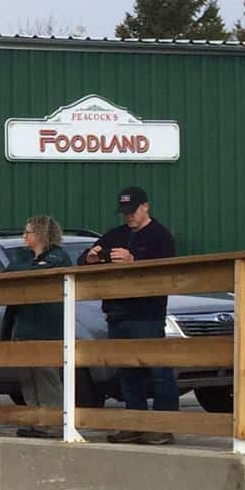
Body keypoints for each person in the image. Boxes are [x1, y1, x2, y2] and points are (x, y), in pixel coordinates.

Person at [82, 185, 179, 444]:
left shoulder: (161, 236)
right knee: (127, 374)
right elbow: (85, 257)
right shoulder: (115, 234)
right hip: (117, 313)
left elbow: (167, 271)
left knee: (159, 372)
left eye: (133, 211)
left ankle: (162, 426)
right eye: (124, 212)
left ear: (145, 206)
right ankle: (134, 423)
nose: (129, 216)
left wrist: (134, 260)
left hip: (147, 314)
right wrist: (91, 258)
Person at [3, 214, 74, 438]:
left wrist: (26, 270)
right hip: (24, 325)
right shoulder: (23, 257)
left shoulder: (58, 256)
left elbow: (38, 273)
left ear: (41, 233)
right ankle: (35, 419)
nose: (24, 236)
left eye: (28, 232)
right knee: (27, 377)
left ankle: (52, 422)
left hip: (46, 326)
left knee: (46, 376)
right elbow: (9, 272)